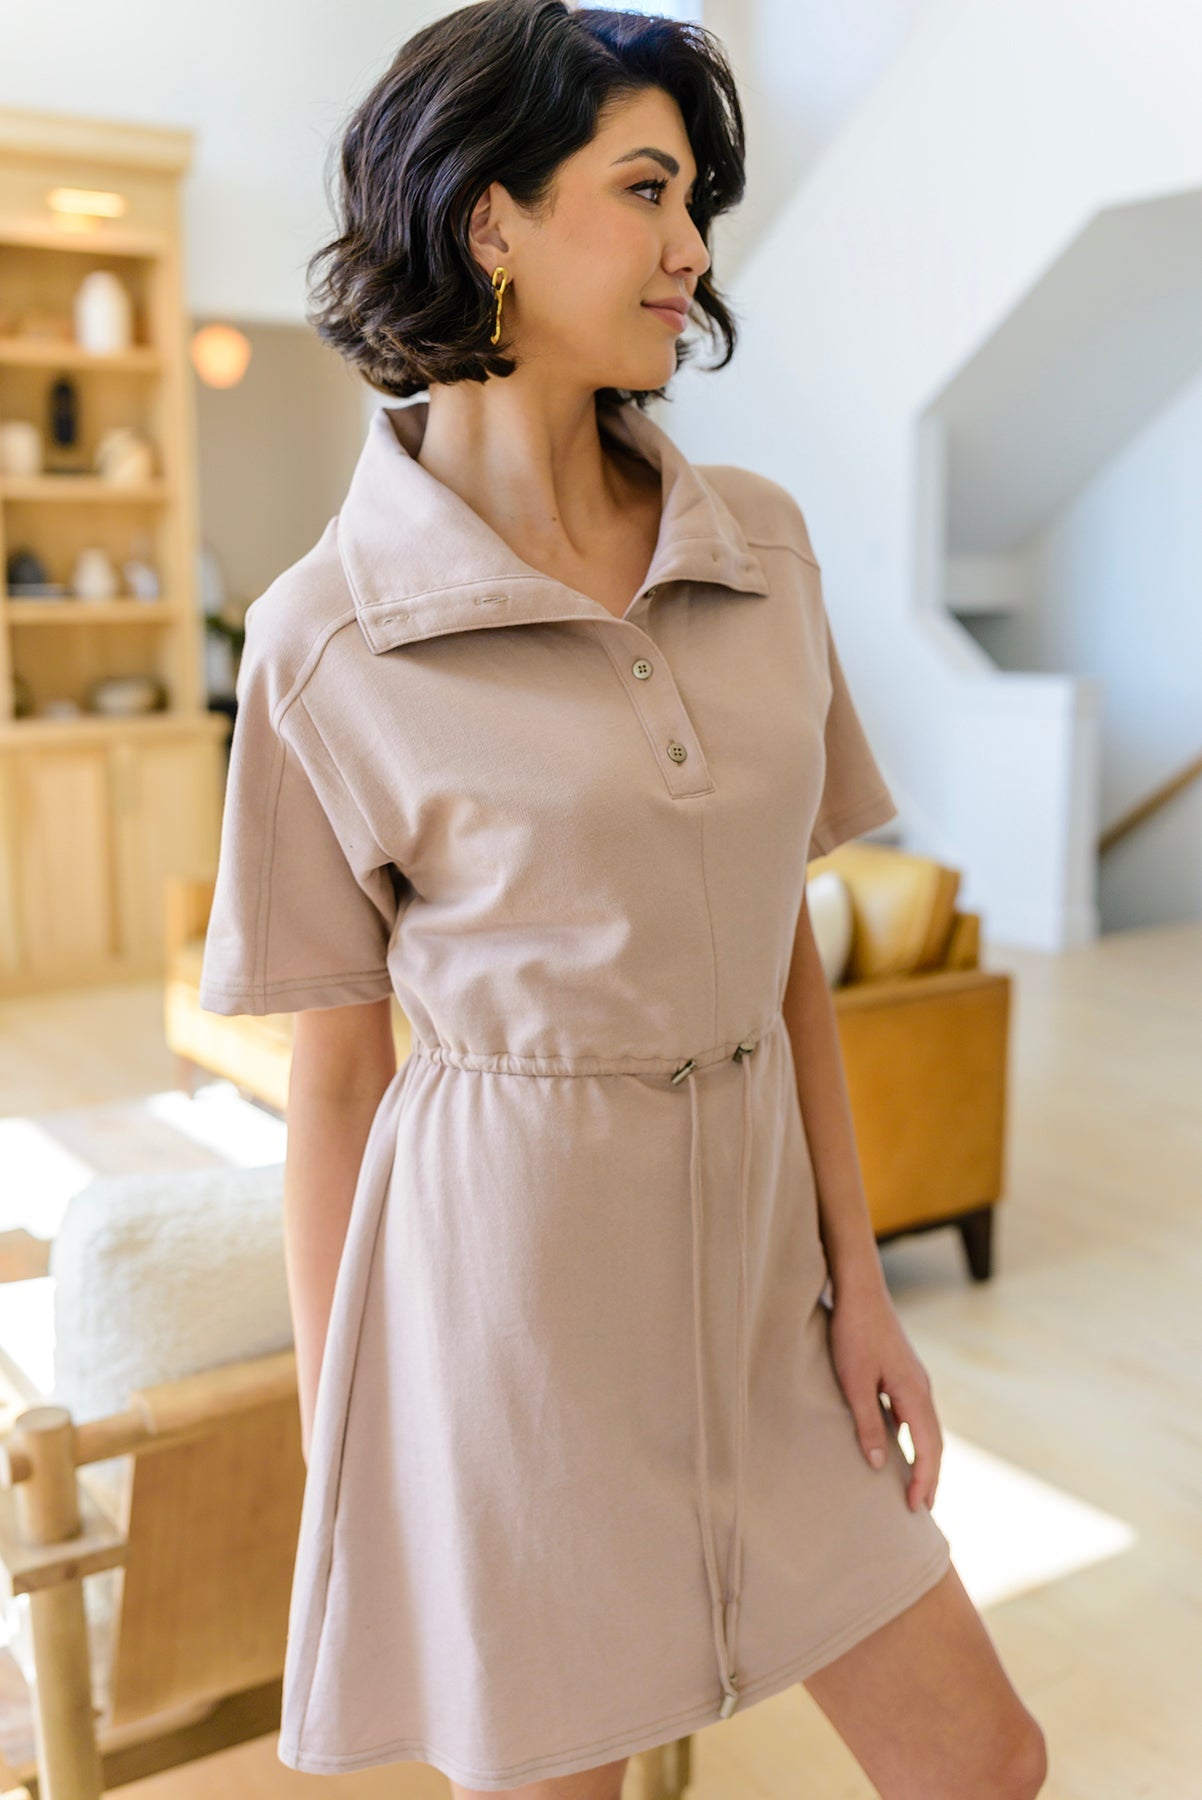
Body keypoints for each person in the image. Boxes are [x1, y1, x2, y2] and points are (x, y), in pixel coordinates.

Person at [198, 2, 1048, 1796]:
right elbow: (340, 1085)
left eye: (698, 202)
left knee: (983, 1762)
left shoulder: (760, 548)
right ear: (487, 218)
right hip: (509, 1321)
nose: (690, 250)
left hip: (765, 1307)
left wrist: (856, 1277)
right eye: (646, 190)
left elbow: (785, 948)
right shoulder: (319, 638)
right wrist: (366, 1440)